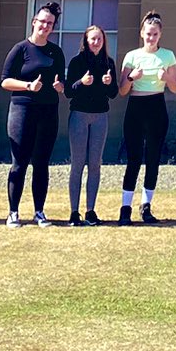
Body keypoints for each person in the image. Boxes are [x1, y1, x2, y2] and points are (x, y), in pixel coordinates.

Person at [0, 2, 68, 227]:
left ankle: (39, 211)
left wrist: (60, 87)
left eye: (50, 23)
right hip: (23, 108)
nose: (45, 26)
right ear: (33, 22)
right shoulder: (20, 49)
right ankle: (13, 212)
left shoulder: (55, 52)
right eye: (42, 22)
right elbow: (5, 81)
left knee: (41, 163)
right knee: (19, 162)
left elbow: (61, 82)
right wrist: (28, 86)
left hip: (48, 110)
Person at [117, 12, 176, 224]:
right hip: (136, 107)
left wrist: (167, 77)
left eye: (155, 34)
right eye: (148, 33)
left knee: (153, 159)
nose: (151, 37)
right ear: (142, 33)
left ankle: (146, 206)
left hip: (157, 107)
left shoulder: (168, 56)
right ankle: (125, 207)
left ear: (160, 35)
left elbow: (175, 87)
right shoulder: (132, 56)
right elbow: (122, 90)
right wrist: (132, 78)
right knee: (133, 159)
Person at [64, 24, 118, 226]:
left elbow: (113, 93)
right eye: (92, 39)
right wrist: (81, 82)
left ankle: (91, 210)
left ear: (104, 42)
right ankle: (74, 211)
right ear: (86, 41)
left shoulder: (109, 63)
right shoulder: (77, 62)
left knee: (95, 164)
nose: (96, 42)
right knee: (77, 164)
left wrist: (108, 83)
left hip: (100, 116)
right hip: (79, 115)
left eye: (99, 39)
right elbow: (69, 91)